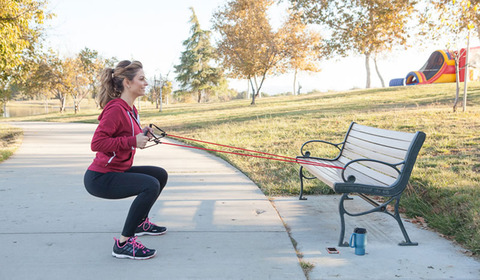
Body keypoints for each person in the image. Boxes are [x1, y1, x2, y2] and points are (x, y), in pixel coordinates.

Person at [83, 60, 168, 260]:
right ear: (127, 83)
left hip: (118, 170)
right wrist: (132, 140)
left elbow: (129, 134)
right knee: (150, 185)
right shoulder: (115, 109)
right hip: (100, 178)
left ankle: (140, 223)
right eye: (141, 79)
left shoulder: (131, 109)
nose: (145, 83)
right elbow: (97, 143)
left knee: (159, 175)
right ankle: (123, 243)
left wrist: (143, 133)